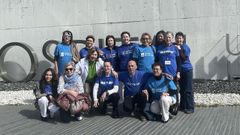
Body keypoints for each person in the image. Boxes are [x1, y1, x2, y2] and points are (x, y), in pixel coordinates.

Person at [175, 32, 194, 114]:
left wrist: (179, 49)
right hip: (180, 71)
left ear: (183, 39)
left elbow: (183, 58)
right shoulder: (175, 46)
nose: (179, 40)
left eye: (180, 38)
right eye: (177, 38)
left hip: (187, 70)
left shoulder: (185, 47)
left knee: (188, 90)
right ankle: (183, 106)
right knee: (182, 89)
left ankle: (190, 107)